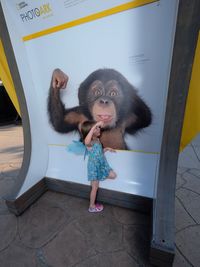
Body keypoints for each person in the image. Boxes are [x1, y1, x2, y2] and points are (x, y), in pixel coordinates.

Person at [80, 120, 117, 213]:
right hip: (94, 168)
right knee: (95, 187)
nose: (98, 128)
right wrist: (94, 126)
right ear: (91, 131)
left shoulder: (97, 140)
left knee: (112, 175)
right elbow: (86, 141)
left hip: (100, 165)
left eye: (97, 127)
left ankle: (92, 205)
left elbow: (98, 152)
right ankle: (92, 207)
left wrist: (107, 149)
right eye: (96, 128)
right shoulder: (90, 142)